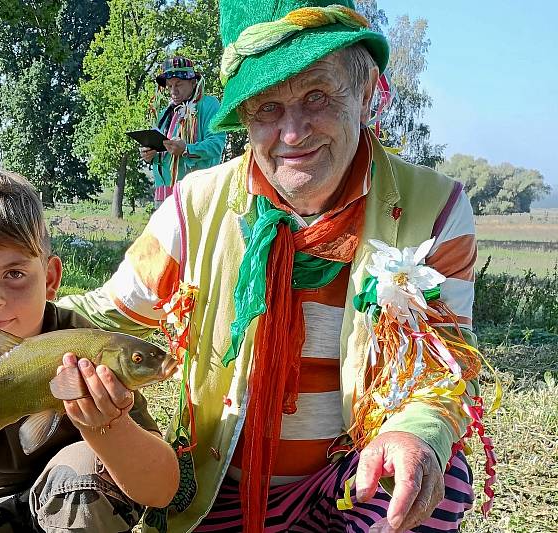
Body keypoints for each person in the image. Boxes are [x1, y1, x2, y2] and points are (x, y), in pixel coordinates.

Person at [60, 1, 487, 532]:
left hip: (349, 478)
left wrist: (416, 431)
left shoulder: (434, 207)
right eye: (266, 107)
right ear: (243, 117)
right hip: (224, 482)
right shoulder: (196, 206)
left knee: (432, 476)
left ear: (365, 92)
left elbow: (443, 366)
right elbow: (106, 316)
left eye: (316, 96)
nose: (292, 133)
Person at [0, 167, 179, 532]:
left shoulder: (88, 344)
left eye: (14, 274)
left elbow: (161, 490)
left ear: (51, 278)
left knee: (89, 466)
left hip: (67, 499)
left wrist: (111, 426)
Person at [140, 56, 226, 205]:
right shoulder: (165, 113)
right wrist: (150, 154)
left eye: (178, 84)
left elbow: (216, 145)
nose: (173, 91)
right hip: (163, 196)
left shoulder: (209, 105)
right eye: (169, 86)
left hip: (196, 194)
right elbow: (163, 153)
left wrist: (186, 149)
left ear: (193, 83)